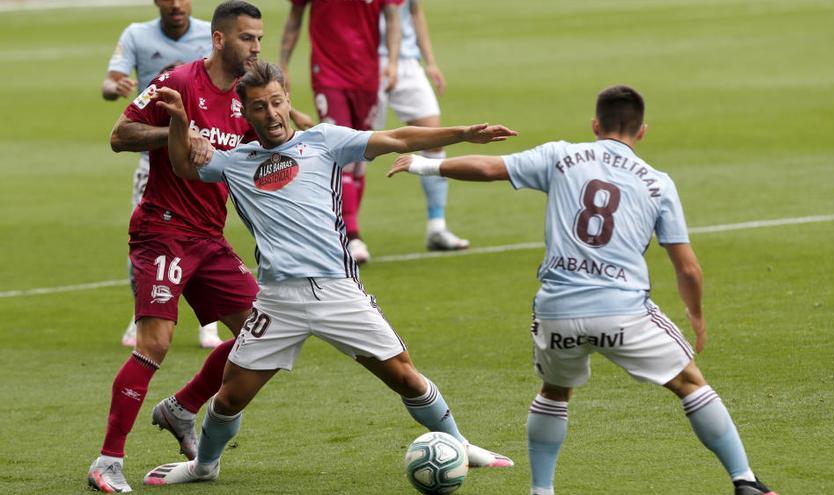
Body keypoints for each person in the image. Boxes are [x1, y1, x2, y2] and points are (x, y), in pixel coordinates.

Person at [140, 61, 516, 487]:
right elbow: (184, 166)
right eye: (260, 107)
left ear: (288, 100)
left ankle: (460, 445)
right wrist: (179, 121)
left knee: (406, 377)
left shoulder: (325, 141)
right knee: (227, 399)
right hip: (278, 300)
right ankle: (203, 466)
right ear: (245, 112)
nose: (272, 114)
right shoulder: (235, 162)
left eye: (277, 102)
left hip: (337, 291)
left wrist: (461, 133)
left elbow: (397, 137)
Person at [388, 85, 778, 495]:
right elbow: (689, 269)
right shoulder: (658, 184)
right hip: (623, 312)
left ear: (595, 125)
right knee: (690, 384)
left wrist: (422, 166)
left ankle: (542, 491)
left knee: (555, 393)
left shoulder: (561, 155)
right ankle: (745, 481)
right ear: (642, 131)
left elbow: (488, 168)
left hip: (557, 309)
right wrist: (695, 314)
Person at [87, 3, 270, 493]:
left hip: (210, 236)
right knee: (156, 342)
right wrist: (176, 131)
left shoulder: (246, 98)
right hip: (162, 229)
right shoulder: (178, 82)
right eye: (248, 39)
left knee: (264, 334)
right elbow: (118, 134)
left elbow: (269, 151)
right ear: (218, 40)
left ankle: (182, 408)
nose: (256, 48)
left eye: (259, 39)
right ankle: (107, 461)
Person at [102, 0, 223, 349]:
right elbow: (110, 82)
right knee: (141, 244)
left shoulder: (212, 35)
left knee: (206, 236)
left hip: (204, 158)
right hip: (153, 162)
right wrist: (116, 87)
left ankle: (209, 324)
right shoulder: (137, 35)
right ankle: (142, 313)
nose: (176, 4)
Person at [279, 0, 403, 263]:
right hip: (329, 73)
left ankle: (341, 231)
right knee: (340, 152)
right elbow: (295, 16)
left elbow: (392, 17)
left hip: (368, 75)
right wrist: (284, 63)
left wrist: (392, 62)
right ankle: (352, 234)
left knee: (362, 156)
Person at [373, 0, 469, 251]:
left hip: (407, 62)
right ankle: (347, 233)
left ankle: (437, 226)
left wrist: (431, 62)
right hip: (367, 61)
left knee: (434, 137)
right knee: (356, 148)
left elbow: (415, 11)